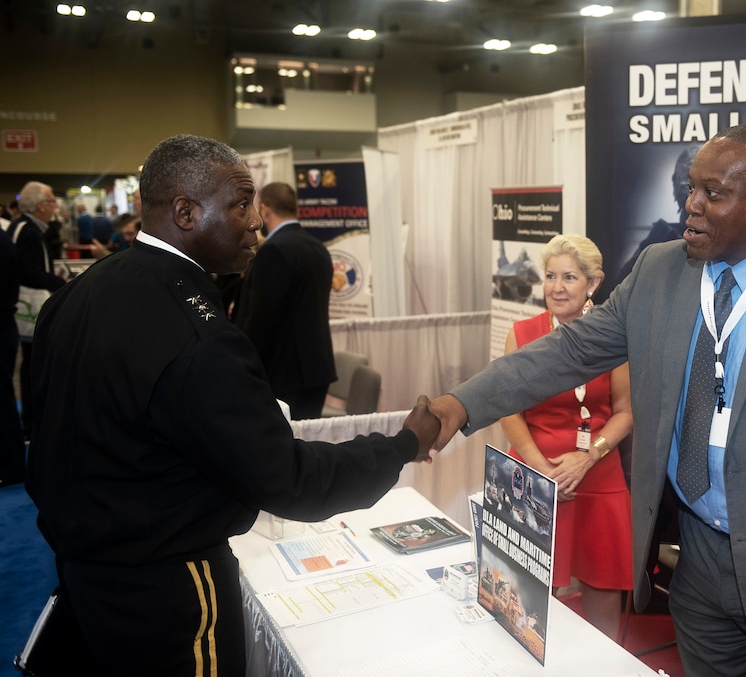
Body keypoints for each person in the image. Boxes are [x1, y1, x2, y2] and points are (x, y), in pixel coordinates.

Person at [425, 125, 746, 677]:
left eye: (713, 192)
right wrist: (461, 404)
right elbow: (567, 353)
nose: (692, 204)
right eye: (691, 189)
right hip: (697, 565)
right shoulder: (661, 270)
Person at [26, 134, 440, 676]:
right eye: (241, 204)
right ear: (186, 212)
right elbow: (290, 480)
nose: (256, 222)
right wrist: (404, 444)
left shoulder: (75, 296)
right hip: (169, 593)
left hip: (87, 574)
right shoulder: (198, 337)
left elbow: (45, 433)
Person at [499, 234, 633, 641]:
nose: (556, 287)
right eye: (551, 276)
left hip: (597, 470)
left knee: (604, 592)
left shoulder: (616, 336)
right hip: (533, 469)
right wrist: (540, 469)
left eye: (569, 277)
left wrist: (588, 457)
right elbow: (507, 409)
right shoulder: (522, 334)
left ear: (593, 283)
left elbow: (627, 412)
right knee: (525, 595)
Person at [235, 181, 336, 419]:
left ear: (266, 210)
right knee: (308, 444)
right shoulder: (318, 247)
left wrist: (243, 364)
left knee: (284, 448)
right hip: (317, 369)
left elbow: (262, 318)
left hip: (284, 372)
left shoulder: (274, 251)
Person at [10, 181, 67, 441]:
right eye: (52, 201)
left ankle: (30, 425)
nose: (55, 206)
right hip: (29, 304)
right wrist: (61, 283)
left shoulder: (20, 225)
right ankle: (32, 427)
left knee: (29, 364)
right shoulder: (30, 231)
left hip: (18, 303)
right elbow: (31, 273)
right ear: (40, 206)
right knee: (35, 364)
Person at [0, 229, 23, 486]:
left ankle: (10, 467)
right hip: (5, 324)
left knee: (3, 402)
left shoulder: (3, 243)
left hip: (3, 326)